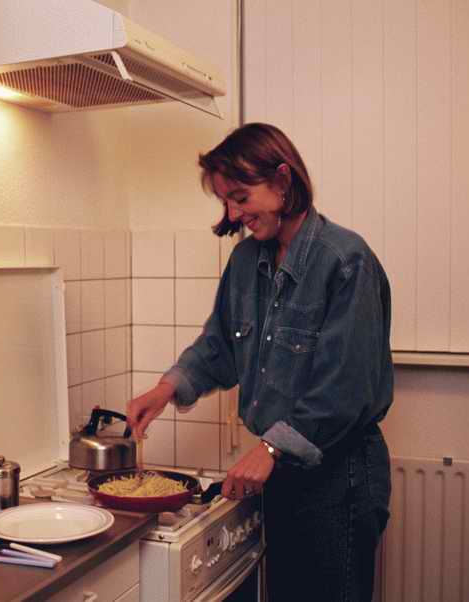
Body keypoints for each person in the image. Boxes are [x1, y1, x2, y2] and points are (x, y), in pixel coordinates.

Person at [126, 123, 393, 602]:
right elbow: (219, 347)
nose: (234, 214)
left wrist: (269, 448)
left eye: (241, 197)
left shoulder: (346, 261)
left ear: (283, 180)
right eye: (226, 201)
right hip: (283, 475)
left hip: (341, 480)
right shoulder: (246, 261)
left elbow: (344, 390)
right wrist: (165, 389)